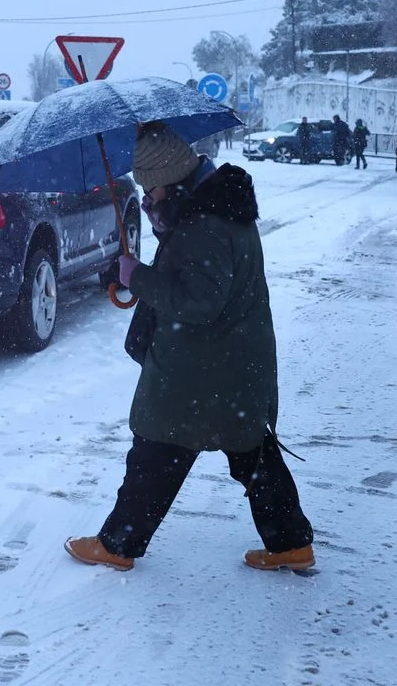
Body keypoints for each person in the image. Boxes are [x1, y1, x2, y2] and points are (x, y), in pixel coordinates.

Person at [65, 123, 315, 573]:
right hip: (229, 365)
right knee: (251, 453)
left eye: (152, 190)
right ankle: (290, 543)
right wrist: (144, 260)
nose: (148, 199)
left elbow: (198, 302)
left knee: (156, 453)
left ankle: (118, 545)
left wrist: (135, 276)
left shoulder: (205, 226)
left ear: (171, 183)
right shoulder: (214, 211)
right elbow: (197, 275)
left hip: (201, 369)